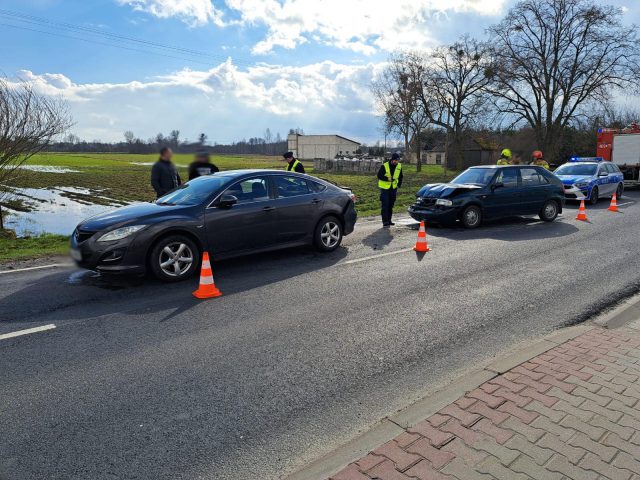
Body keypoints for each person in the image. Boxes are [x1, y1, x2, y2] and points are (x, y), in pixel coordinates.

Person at [377, 153, 403, 228]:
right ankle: (385, 221)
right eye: (395, 160)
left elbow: (401, 176)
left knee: (391, 205)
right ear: (392, 159)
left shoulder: (399, 166)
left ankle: (389, 220)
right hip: (385, 189)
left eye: (397, 160)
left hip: (393, 188)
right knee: (385, 205)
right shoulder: (384, 166)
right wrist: (387, 179)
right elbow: (379, 176)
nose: (396, 162)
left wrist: (399, 185)